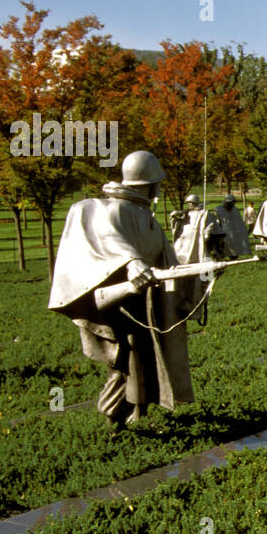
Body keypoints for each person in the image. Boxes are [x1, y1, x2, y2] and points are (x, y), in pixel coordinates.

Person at [48, 150, 195, 427]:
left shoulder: (144, 214)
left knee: (146, 360)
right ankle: (112, 417)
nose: (159, 188)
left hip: (146, 302)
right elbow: (108, 239)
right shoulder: (109, 209)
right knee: (126, 362)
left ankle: (136, 415)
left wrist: (201, 273)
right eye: (157, 182)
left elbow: (168, 260)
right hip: (123, 304)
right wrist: (132, 263)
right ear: (149, 183)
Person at [212, 194, 250, 259]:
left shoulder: (235, 210)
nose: (231, 205)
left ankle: (234, 258)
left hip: (234, 233)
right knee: (221, 248)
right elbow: (216, 222)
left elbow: (239, 221)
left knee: (234, 249)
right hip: (222, 233)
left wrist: (242, 230)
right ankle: (218, 259)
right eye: (229, 203)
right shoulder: (218, 209)